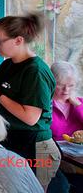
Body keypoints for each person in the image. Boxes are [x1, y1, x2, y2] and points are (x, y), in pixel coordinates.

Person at [0, 14, 60, 191]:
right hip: (8, 139)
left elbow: (30, 117)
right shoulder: (7, 65)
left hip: (35, 144)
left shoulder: (36, 71)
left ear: (18, 40)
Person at [49, 62, 83, 193]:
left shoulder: (80, 102)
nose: (66, 90)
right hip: (56, 160)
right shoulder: (45, 105)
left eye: (71, 86)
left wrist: (77, 105)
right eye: (61, 85)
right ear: (51, 82)